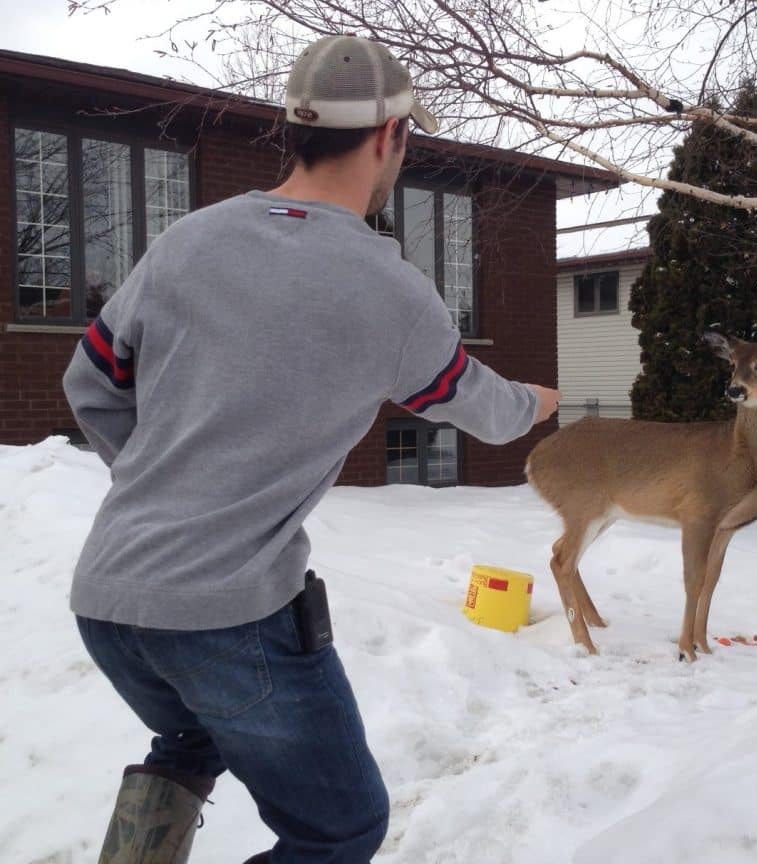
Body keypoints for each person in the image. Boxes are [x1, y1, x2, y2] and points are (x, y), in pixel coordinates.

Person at [63, 34, 561, 864]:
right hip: (226, 617)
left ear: (293, 131)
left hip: (109, 599)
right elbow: (481, 412)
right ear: (387, 139)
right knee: (339, 829)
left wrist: (166, 481)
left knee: (189, 741)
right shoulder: (388, 288)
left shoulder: (188, 241)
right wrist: (536, 402)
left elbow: (92, 382)